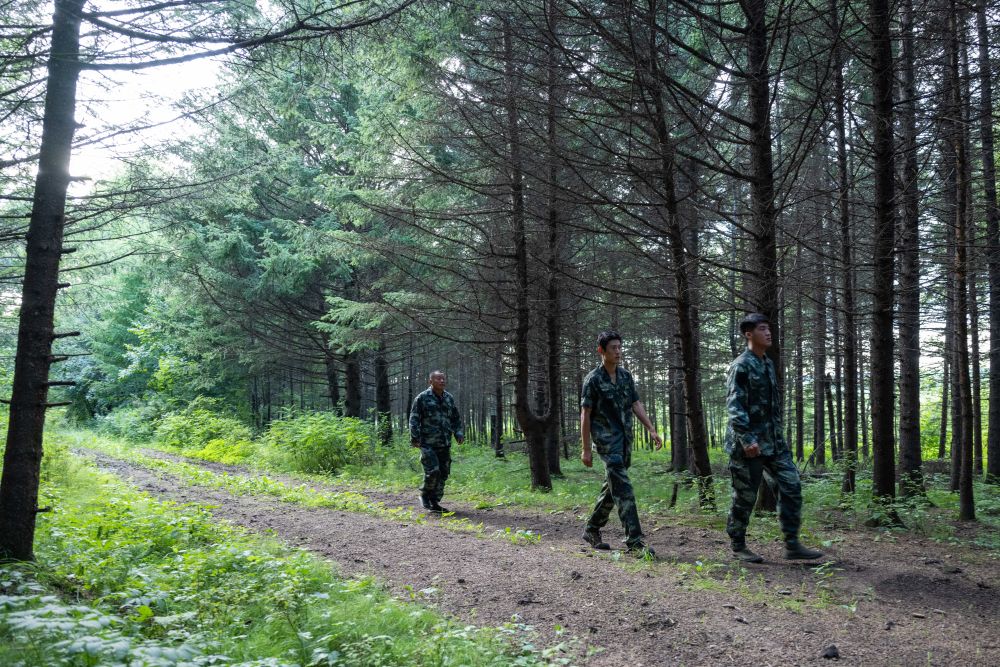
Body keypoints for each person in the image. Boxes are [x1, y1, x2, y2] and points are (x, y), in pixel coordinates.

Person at [725, 313, 823, 563]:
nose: (768, 333)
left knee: (791, 485)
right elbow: (735, 406)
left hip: (773, 442)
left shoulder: (767, 363)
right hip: (748, 444)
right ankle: (738, 545)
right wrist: (747, 439)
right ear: (749, 334)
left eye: (768, 328)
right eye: (762, 329)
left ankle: (792, 544)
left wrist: (778, 436)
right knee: (745, 496)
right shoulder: (741, 365)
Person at [580, 331, 662, 557]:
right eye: (613, 348)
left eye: (619, 347)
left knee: (612, 488)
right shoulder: (593, 380)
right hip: (607, 444)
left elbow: (635, 404)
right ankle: (634, 541)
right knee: (624, 489)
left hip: (624, 442)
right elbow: (585, 414)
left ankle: (592, 529)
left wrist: (651, 429)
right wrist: (585, 449)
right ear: (601, 351)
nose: (618, 352)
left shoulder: (625, 376)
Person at [410, 370, 464, 513]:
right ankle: (424, 494)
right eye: (438, 379)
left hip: (444, 442)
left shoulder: (449, 398)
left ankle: (434, 501)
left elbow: (455, 418)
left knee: (443, 473)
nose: (442, 381)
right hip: (427, 443)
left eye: (443, 379)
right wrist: (414, 437)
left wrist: (458, 432)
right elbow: (414, 418)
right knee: (433, 470)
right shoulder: (422, 398)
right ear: (430, 381)